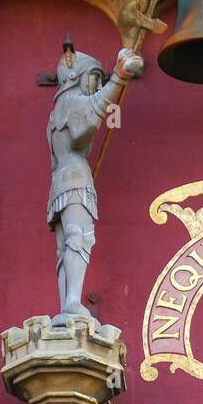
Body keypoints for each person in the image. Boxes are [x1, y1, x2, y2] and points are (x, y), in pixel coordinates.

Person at [47, 37, 144, 321]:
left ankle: (69, 303)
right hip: (75, 175)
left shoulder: (60, 109)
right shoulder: (69, 102)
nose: (96, 85)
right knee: (79, 237)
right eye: (94, 78)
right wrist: (119, 77)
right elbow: (89, 119)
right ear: (76, 77)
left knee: (69, 244)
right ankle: (73, 303)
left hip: (63, 177)